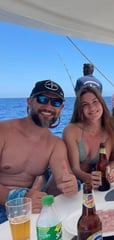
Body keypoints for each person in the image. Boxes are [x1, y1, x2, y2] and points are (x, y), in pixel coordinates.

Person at [0, 80, 78, 223]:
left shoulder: (56, 144)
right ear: (30, 101)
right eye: (43, 99)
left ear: (61, 108)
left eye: (55, 103)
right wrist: (16, 199)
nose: (48, 106)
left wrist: (70, 185)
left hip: (27, 210)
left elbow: (63, 176)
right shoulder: (3, 131)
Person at [62, 85, 114, 189]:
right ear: (80, 109)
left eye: (95, 101)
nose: (92, 108)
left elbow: (103, 166)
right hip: (68, 182)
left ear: (101, 103)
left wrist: (109, 175)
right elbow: (74, 168)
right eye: (85, 104)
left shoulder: (108, 133)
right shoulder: (71, 131)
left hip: (89, 186)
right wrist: (88, 178)